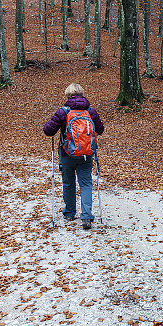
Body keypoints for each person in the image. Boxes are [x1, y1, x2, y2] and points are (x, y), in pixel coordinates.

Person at [43, 83, 104, 230]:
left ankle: (70, 212)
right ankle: (87, 216)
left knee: (68, 183)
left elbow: (48, 131)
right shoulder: (91, 112)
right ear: (82, 94)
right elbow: (101, 129)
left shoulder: (62, 112)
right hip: (86, 154)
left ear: (67, 95)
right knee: (86, 183)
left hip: (67, 154)